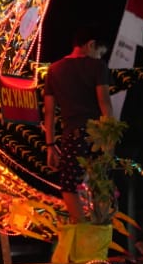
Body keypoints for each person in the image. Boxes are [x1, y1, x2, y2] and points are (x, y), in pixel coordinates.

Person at [42, 26, 112, 222]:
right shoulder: (98, 67)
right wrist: (110, 140)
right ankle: (100, 225)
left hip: (72, 136)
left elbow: (49, 112)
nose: (99, 57)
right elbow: (105, 103)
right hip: (97, 134)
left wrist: (50, 146)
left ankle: (81, 225)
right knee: (100, 182)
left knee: (69, 185)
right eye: (99, 52)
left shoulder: (54, 70)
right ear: (91, 44)